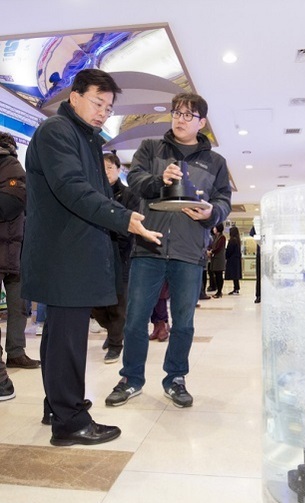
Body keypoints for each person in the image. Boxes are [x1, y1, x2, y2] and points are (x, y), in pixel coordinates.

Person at [21, 69, 162, 446]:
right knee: (67, 338)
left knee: (60, 335)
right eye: (97, 102)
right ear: (75, 96)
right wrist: (124, 218)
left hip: (70, 251)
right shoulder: (58, 132)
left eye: (108, 107)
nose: (103, 112)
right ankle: (70, 423)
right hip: (64, 252)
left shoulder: (82, 137)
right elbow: (72, 189)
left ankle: (58, 406)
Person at [105, 91, 231, 409]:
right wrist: (161, 180)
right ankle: (131, 378)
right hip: (149, 244)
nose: (179, 118)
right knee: (135, 319)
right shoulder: (150, 149)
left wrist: (211, 214)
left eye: (188, 114)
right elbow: (134, 181)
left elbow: (223, 201)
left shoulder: (215, 162)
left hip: (189, 251)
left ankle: (175, 378)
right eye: (176, 112)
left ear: (201, 121)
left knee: (184, 322)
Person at [91, 153, 141, 363]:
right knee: (96, 305)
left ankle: (115, 344)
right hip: (95, 256)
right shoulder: (92, 193)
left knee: (119, 304)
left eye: (109, 168)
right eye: (101, 168)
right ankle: (114, 331)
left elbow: (131, 225)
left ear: (119, 170)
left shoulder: (130, 195)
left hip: (121, 256)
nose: (105, 172)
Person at [0, 132, 37, 401]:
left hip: (12, 250)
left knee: (18, 306)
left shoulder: (9, 166)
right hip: (12, 249)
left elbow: (11, 204)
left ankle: (14, 354)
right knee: (17, 306)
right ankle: (13, 355)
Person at [208, 223, 226, 298]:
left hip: (219, 259)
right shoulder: (216, 237)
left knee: (219, 275)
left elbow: (218, 248)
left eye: (215, 228)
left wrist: (211, 252)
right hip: (215, 259)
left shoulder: (222, 237)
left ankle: (219, 291)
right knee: (216, 275)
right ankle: (217, 291)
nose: (213, 229)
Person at [225, 225, 242, 295]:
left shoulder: (232, 240)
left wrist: (226, 256)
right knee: (236, 275)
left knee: (234, 274)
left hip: (232, 260)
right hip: (236, 260)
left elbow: (229, 251)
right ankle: (236, 288)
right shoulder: (238, 240)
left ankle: (236, 288)